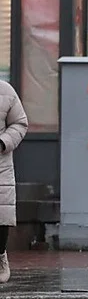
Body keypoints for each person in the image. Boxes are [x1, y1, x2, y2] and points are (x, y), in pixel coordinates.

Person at [0, 81, 28, 283]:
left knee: (1, 216)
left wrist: (3, 142)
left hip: (0, 165)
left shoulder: (5, 91)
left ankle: (0, 256)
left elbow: (20, 123)